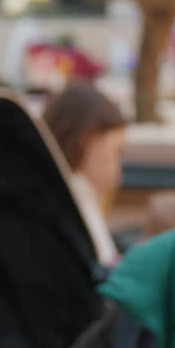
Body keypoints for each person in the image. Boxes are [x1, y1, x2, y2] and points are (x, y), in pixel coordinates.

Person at [41, 82, 127, 269]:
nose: (119, 172)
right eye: (117, 152)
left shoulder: (54, 192)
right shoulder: (72, 199)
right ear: (87, 140)